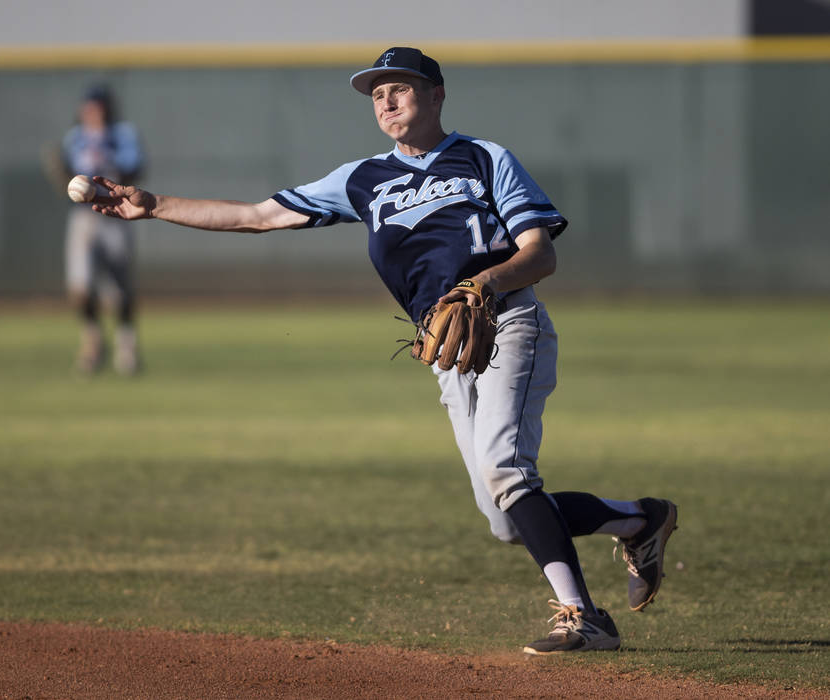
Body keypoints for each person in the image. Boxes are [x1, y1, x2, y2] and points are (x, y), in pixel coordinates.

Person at [88, 47, 678, 654]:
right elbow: (258, 215)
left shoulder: (484, 158)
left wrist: (484, 282)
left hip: (507, 320)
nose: (388, 101)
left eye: (401, 87)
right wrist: (153, 206)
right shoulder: (362, 180)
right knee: (505, 518)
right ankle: (639, 520)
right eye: (377, 94)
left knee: (506, 470)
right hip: (446, 350)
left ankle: (583, 618)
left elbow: (541, 253)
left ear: (437, 94)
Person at [58, 85, 145, 374]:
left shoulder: (122, 135)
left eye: (97, 106)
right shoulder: (75, 138)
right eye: (89, 107)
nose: (92, 112)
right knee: (80, 288)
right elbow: (66, 177)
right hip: (84, 218)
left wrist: (106, 154)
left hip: (117, 215)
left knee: (119, 291)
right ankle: (93, 341)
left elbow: (135, 170)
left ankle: (126, 345)